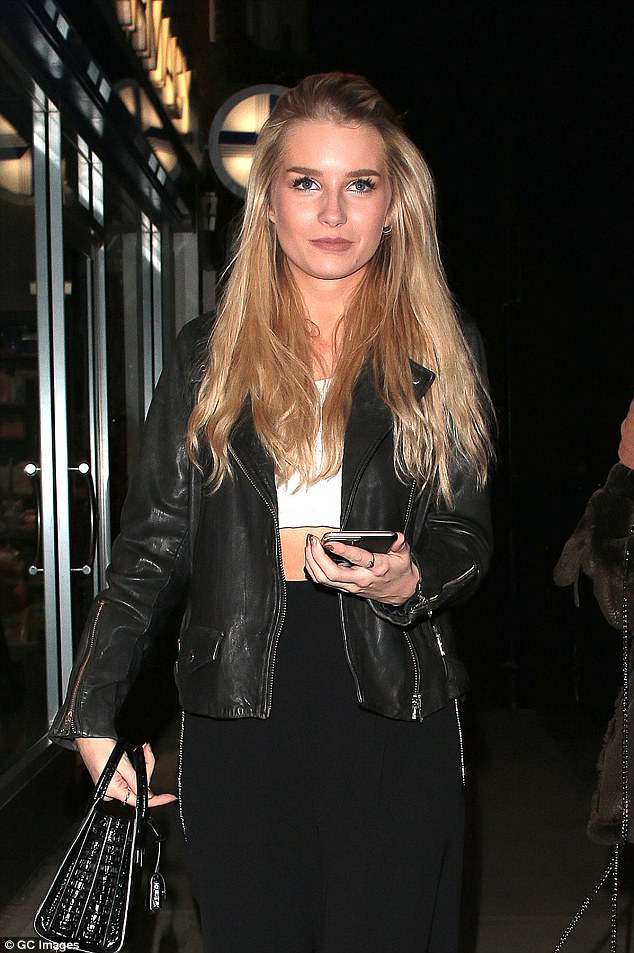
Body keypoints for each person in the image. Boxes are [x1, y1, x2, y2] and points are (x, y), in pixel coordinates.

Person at [50, 72, 494, 953]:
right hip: (238, 696)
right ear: (269, 204)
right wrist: (91, 712)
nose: (332, 210)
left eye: (359, 184)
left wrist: (411, 577)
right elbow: (150, 550)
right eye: (305, 182)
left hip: (392, 688)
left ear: (394, 206)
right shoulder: (206, 356)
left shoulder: (443, 350)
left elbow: (466, 533)